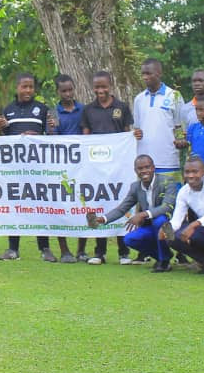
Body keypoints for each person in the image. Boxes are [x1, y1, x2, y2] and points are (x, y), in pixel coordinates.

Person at [0, 72, 66, 262]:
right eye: (24, 86)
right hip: (15, 169)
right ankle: (13, 249)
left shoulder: (42, 109)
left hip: (38, 168)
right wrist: (1, 129)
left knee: (40, 206)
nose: (28, 90)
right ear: (17, 88)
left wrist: (38, 136)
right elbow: (5, 140)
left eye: (31, 87)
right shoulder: (8, 109)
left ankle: (45, 249)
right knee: (15, 205)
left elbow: (51, 136)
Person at [79, 70, 135, 264]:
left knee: (120, 203)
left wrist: (132, 139)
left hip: (118, 167)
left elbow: (127, 134)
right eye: (97, 87)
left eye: (104, 86)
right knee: (100, 203)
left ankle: (123, 252)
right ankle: (99, 252)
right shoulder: (88, 110)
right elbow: (85, 138)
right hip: (96, 167)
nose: (100, 90)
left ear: (110, 86)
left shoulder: (122, 107)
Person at [92, 155, 177, 272]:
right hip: (150, 226)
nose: (144, 171)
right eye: (140, 168)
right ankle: (163, 257)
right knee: (130, 239)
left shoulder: (168, 181)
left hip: (170, 228)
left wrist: (142, 214)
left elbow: (167, 207)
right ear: (135, 170)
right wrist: (103, 219)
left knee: (160, 221)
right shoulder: (135, 187)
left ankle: (164, 262)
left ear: (153, 168)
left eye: (147, 167)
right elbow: (122, 208)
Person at [133, 58, 187, 177]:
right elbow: (137, 128)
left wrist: (180, 139)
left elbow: (180, 126)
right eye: (143, 74)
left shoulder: (174, 96)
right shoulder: (139, 99)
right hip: (144, 164)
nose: (145, 77)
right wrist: (136, 133)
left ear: (159, 73)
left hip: (168, 161)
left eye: (148, 73)